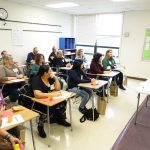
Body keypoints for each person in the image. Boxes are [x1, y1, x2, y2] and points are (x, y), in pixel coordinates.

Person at [31, 65, 71, 138]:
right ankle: (40, 126)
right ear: (45, 73)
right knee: (48, 109)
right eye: (50, 71)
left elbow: (58, 88)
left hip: (48, 98)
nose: (52, 72)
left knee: (63, 102)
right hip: (37, 101)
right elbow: (37, 94)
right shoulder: (36, 80)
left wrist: (55, 78)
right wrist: (51, 94)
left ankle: (60, 119)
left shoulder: (50, 78)